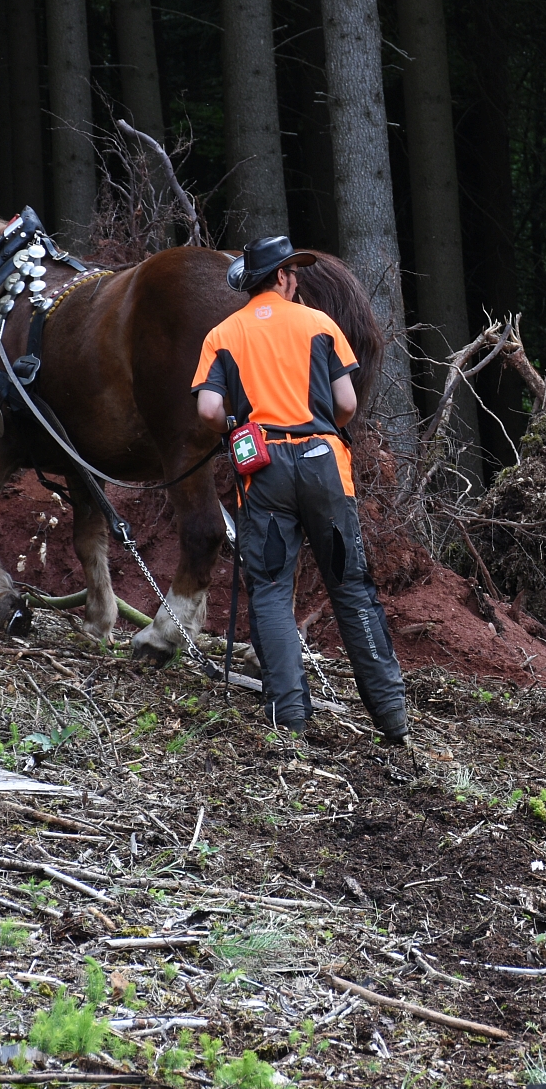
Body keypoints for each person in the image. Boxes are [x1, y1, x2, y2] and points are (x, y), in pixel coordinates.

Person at [192, 236, 411, 744]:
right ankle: (392, 717)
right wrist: (315, 428)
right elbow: (347, 404)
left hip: (263, 469)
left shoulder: (223, 334)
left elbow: (207, 410)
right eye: (294, 272)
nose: (297, 280)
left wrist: (235, 426)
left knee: (270, 589)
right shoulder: (320, 324)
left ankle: (289, 719)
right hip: (324, 466)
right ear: (283, 277)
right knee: (350, 586)